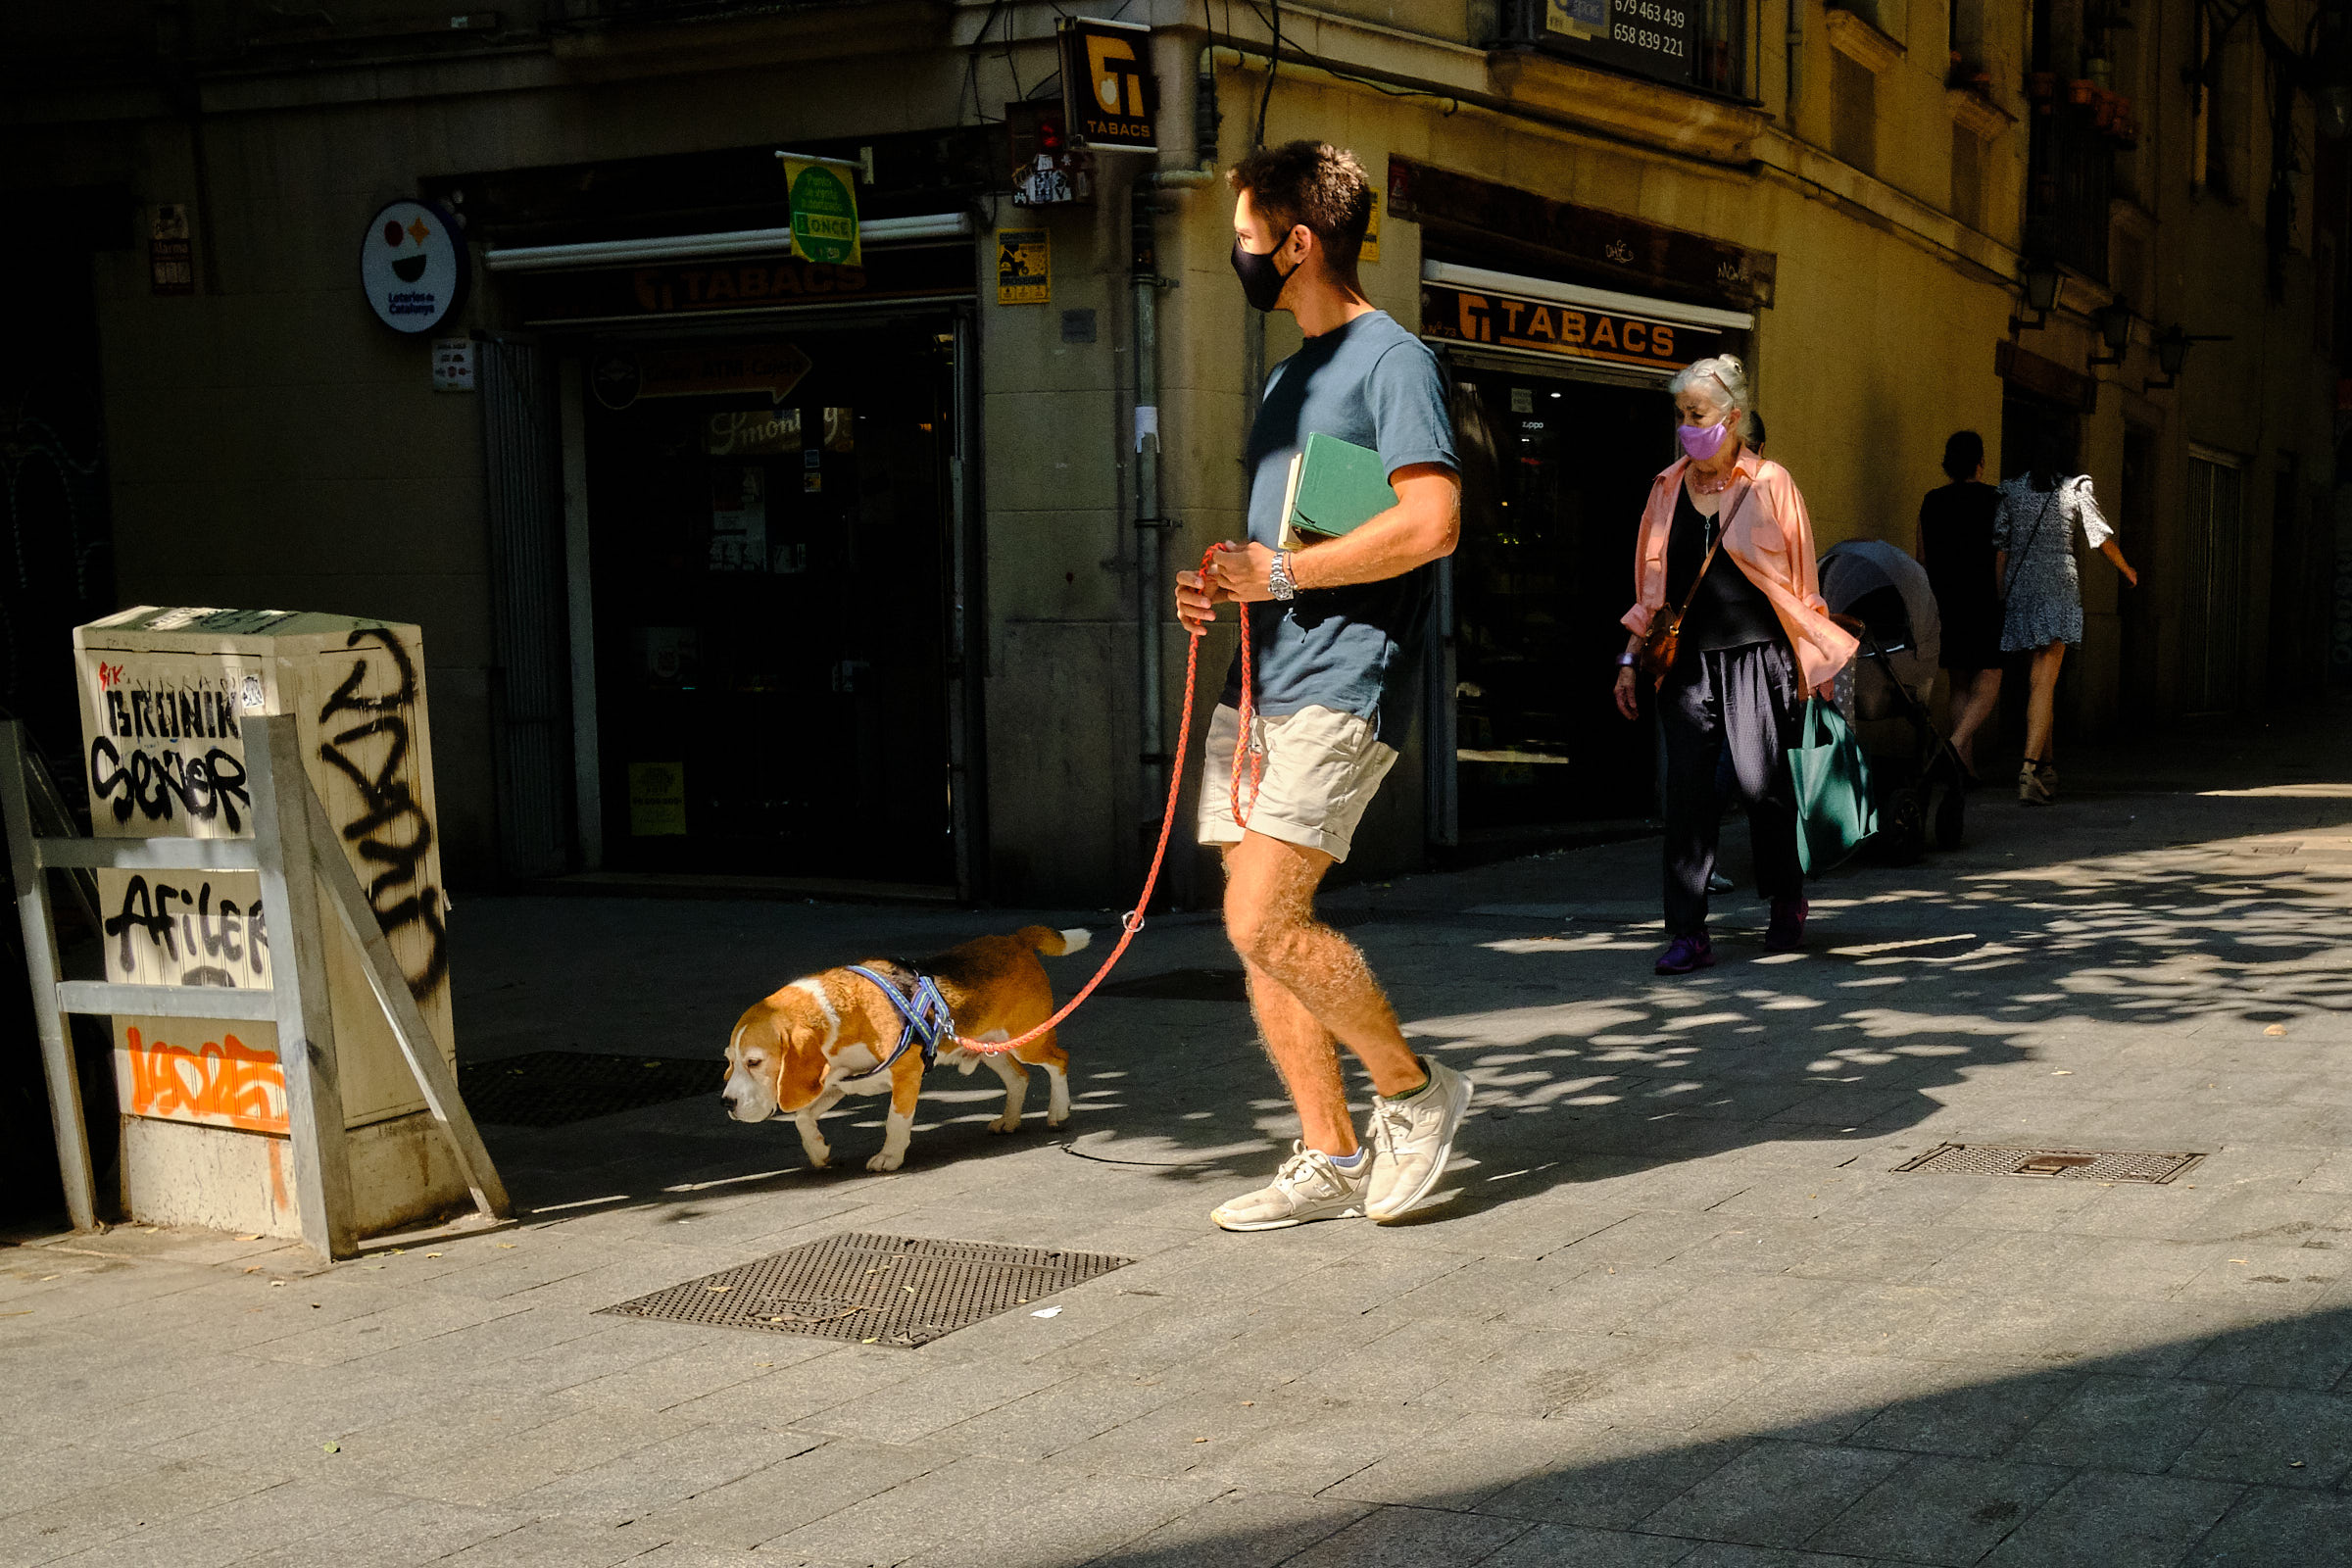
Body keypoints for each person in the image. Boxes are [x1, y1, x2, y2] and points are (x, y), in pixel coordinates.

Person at [1173, 141, 1472, 1231]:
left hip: (1344, 680)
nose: (1238, 254)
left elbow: (1431, 522)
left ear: (1299, 242)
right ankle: (1330, 1153)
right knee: (1259, 928)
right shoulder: (1289, 376)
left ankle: (1416, 1090)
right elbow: (1305, 530)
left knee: (1263, 917)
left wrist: (1286, 572)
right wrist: (1228, 584)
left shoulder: (1392, 361)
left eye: (1248, 235)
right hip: (1269, 678)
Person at [1612, 357, 1856, 975]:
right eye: (1681, 415)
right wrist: (1628, 659)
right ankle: (1688, 932)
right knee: (1688, 799)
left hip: (1759, 660)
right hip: (1685, 666)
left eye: (1697, 415)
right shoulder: (1666, 488)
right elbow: (1650, 588)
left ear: (1733, 417)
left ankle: (1786, 898)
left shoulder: (1772, 484)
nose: (1687, 428)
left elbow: (1803, 583)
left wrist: (1815, 669)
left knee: (1760, 787)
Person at [1994, 429, 2139, 805]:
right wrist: (2126, 570)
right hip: (2059, 585)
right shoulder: (2075, 488)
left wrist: (2001, 595)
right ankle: (2028, 770)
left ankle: (2048, 768)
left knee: (2037, 682)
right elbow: (2098, 536)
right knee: (2045, 680)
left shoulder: (2010, 491)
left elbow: (2002, 547)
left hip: (2022, 587)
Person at [1916, 430, 2004, 778]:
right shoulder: (1995, 500)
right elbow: (2000, 558)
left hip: (1945, 599)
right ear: (1980, 462)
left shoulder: (1931, 501)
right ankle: (1954, 745)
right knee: (1991, 676)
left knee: (1959, 683)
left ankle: (1964, 771)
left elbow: (1920, 558)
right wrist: (2001, 600)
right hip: (1982, 597)